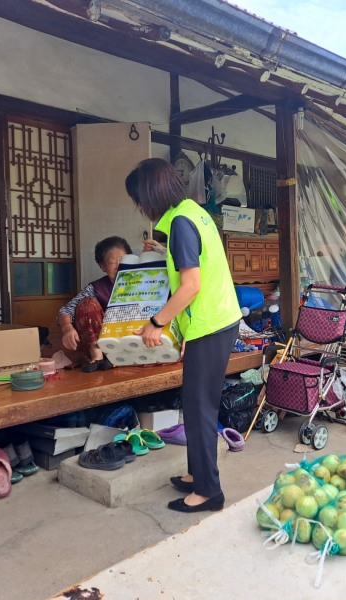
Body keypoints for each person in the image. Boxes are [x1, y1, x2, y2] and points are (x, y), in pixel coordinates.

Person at [125, 158, 241, 513]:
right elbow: (197, 261)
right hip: (219, 319)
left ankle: (209, 492)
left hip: (210, 324)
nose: (139, 207)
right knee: (196, 405)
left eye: (138, 199)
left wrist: (156, 323)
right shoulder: (193, 211)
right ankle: (197, 474)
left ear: (150, 195)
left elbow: (190, 285)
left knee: (198, 408)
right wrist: (164, 252)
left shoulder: (180, 224)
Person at [58, 236, 132, 372]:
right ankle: (97, 356)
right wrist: (67, 328)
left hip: (133, 344)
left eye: (122, 260)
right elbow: (66, 310)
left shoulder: (144, 282)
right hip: (103, 344)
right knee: (87, 304)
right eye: (111, 262)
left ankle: (120, 357)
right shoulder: (96, 287)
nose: (118, 266)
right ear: (102, 266)